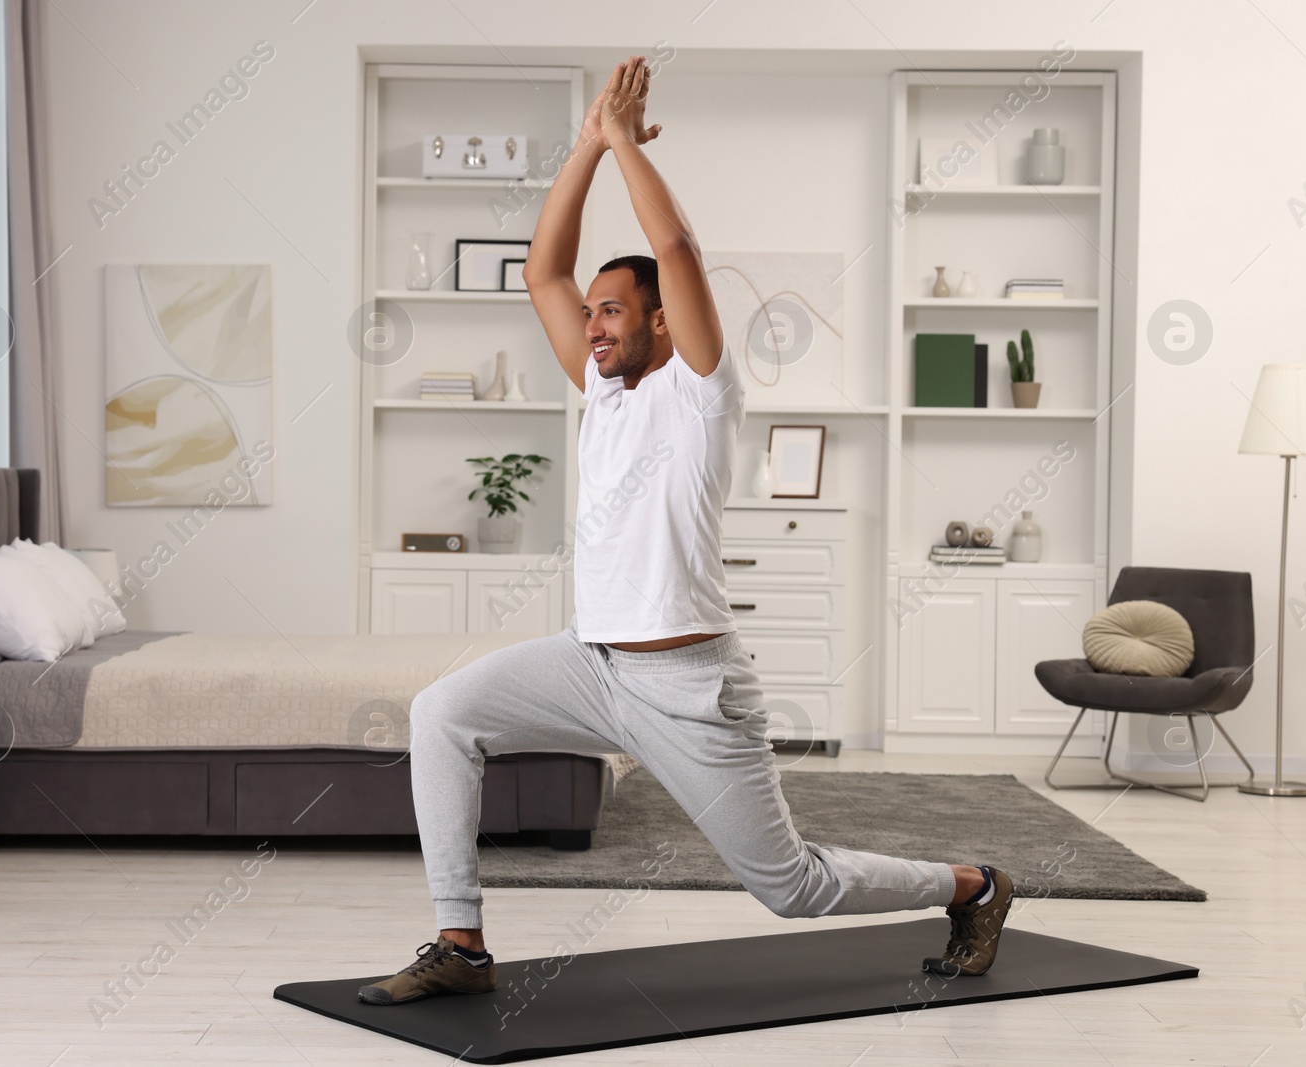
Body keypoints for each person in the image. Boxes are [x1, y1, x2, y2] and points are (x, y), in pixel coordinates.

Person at [358, 56, 1012, 1007]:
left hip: (690, 685)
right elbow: (543, 269)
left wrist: (624, 142)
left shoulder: (700, 393)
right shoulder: (603, 396)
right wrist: (587, 143)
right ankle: (461, 940)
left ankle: (974, 885)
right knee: (441, 711)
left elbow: (681, 250)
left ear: (663, 323)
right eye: (591, 316)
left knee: (788, 885)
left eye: (612, 311)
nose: (591, 326)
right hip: (593, 664)